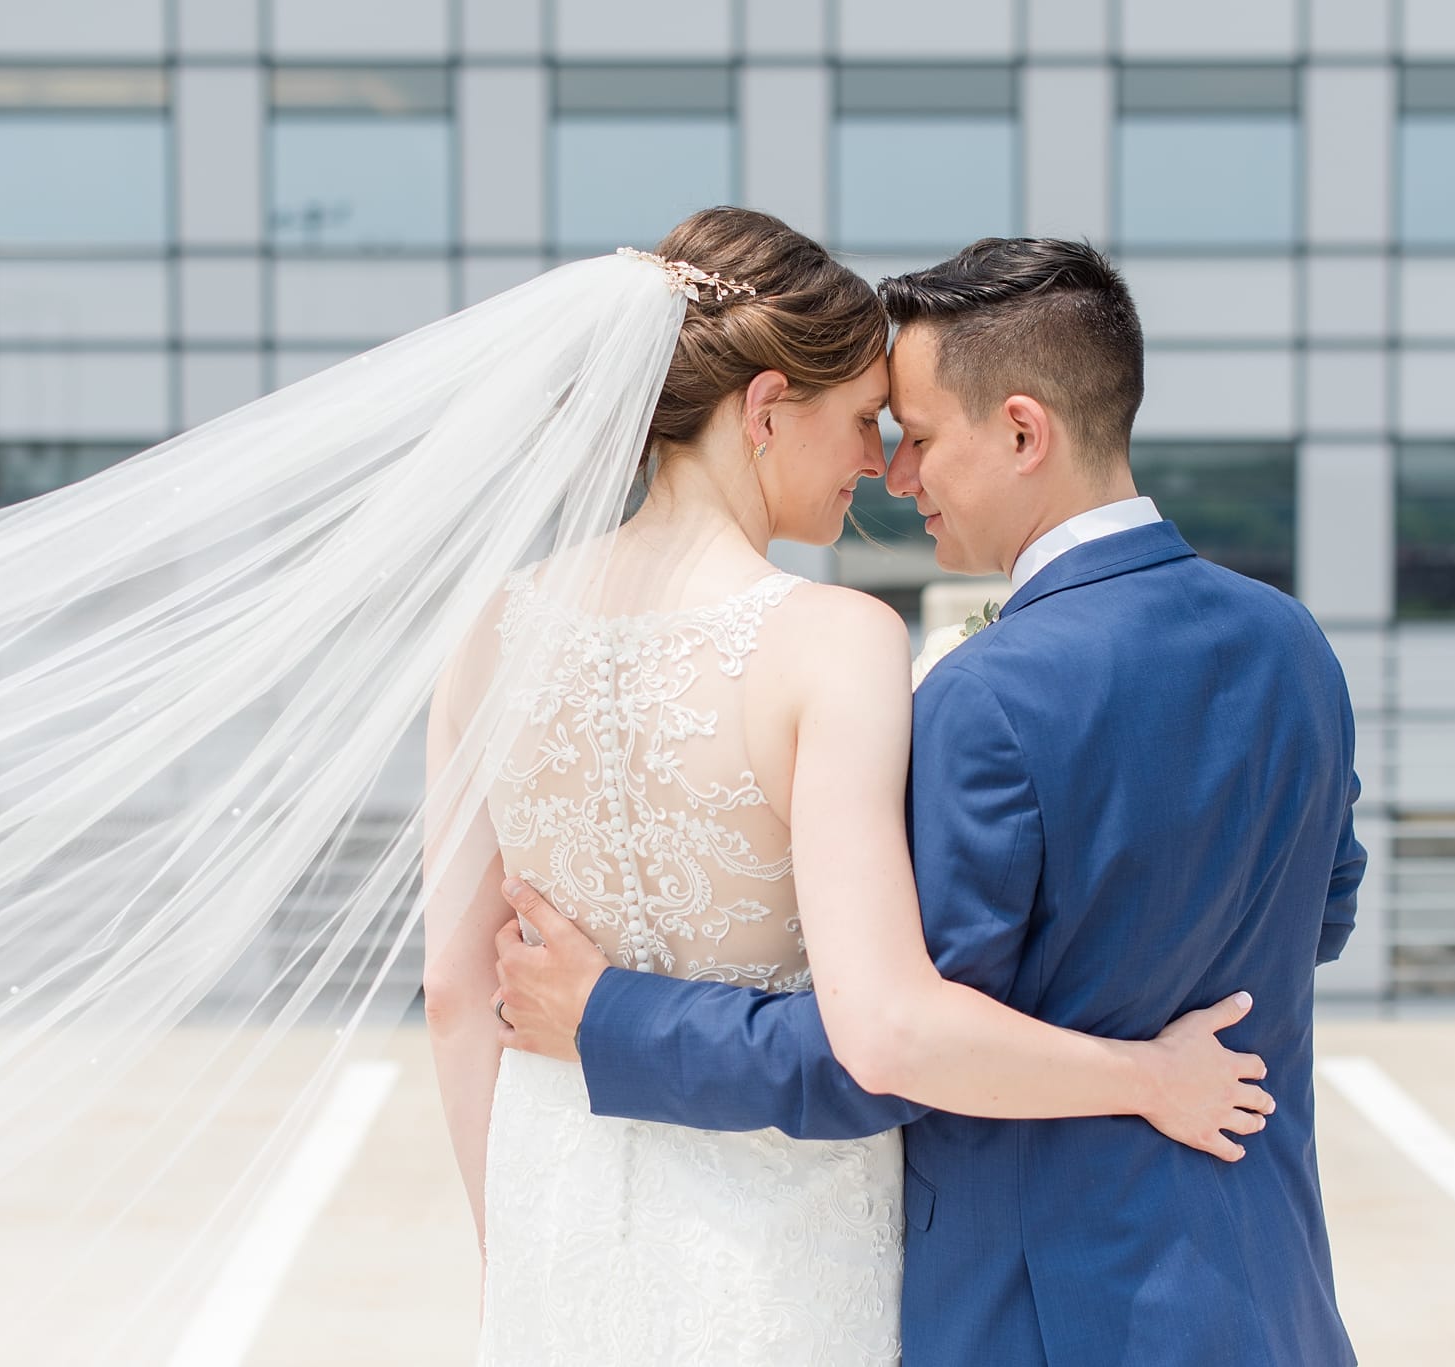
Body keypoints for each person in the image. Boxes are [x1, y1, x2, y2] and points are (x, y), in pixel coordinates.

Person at [420, 211, 1279, 1365]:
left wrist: (507, 1254)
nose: (880, 462)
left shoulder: (486, 631)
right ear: (765, 410)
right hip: (780, 1250)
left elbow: (451, 992)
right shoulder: (830, 639)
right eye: (862, 419)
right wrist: (1148, 1076)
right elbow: (889, 1028)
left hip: (551, 1224)